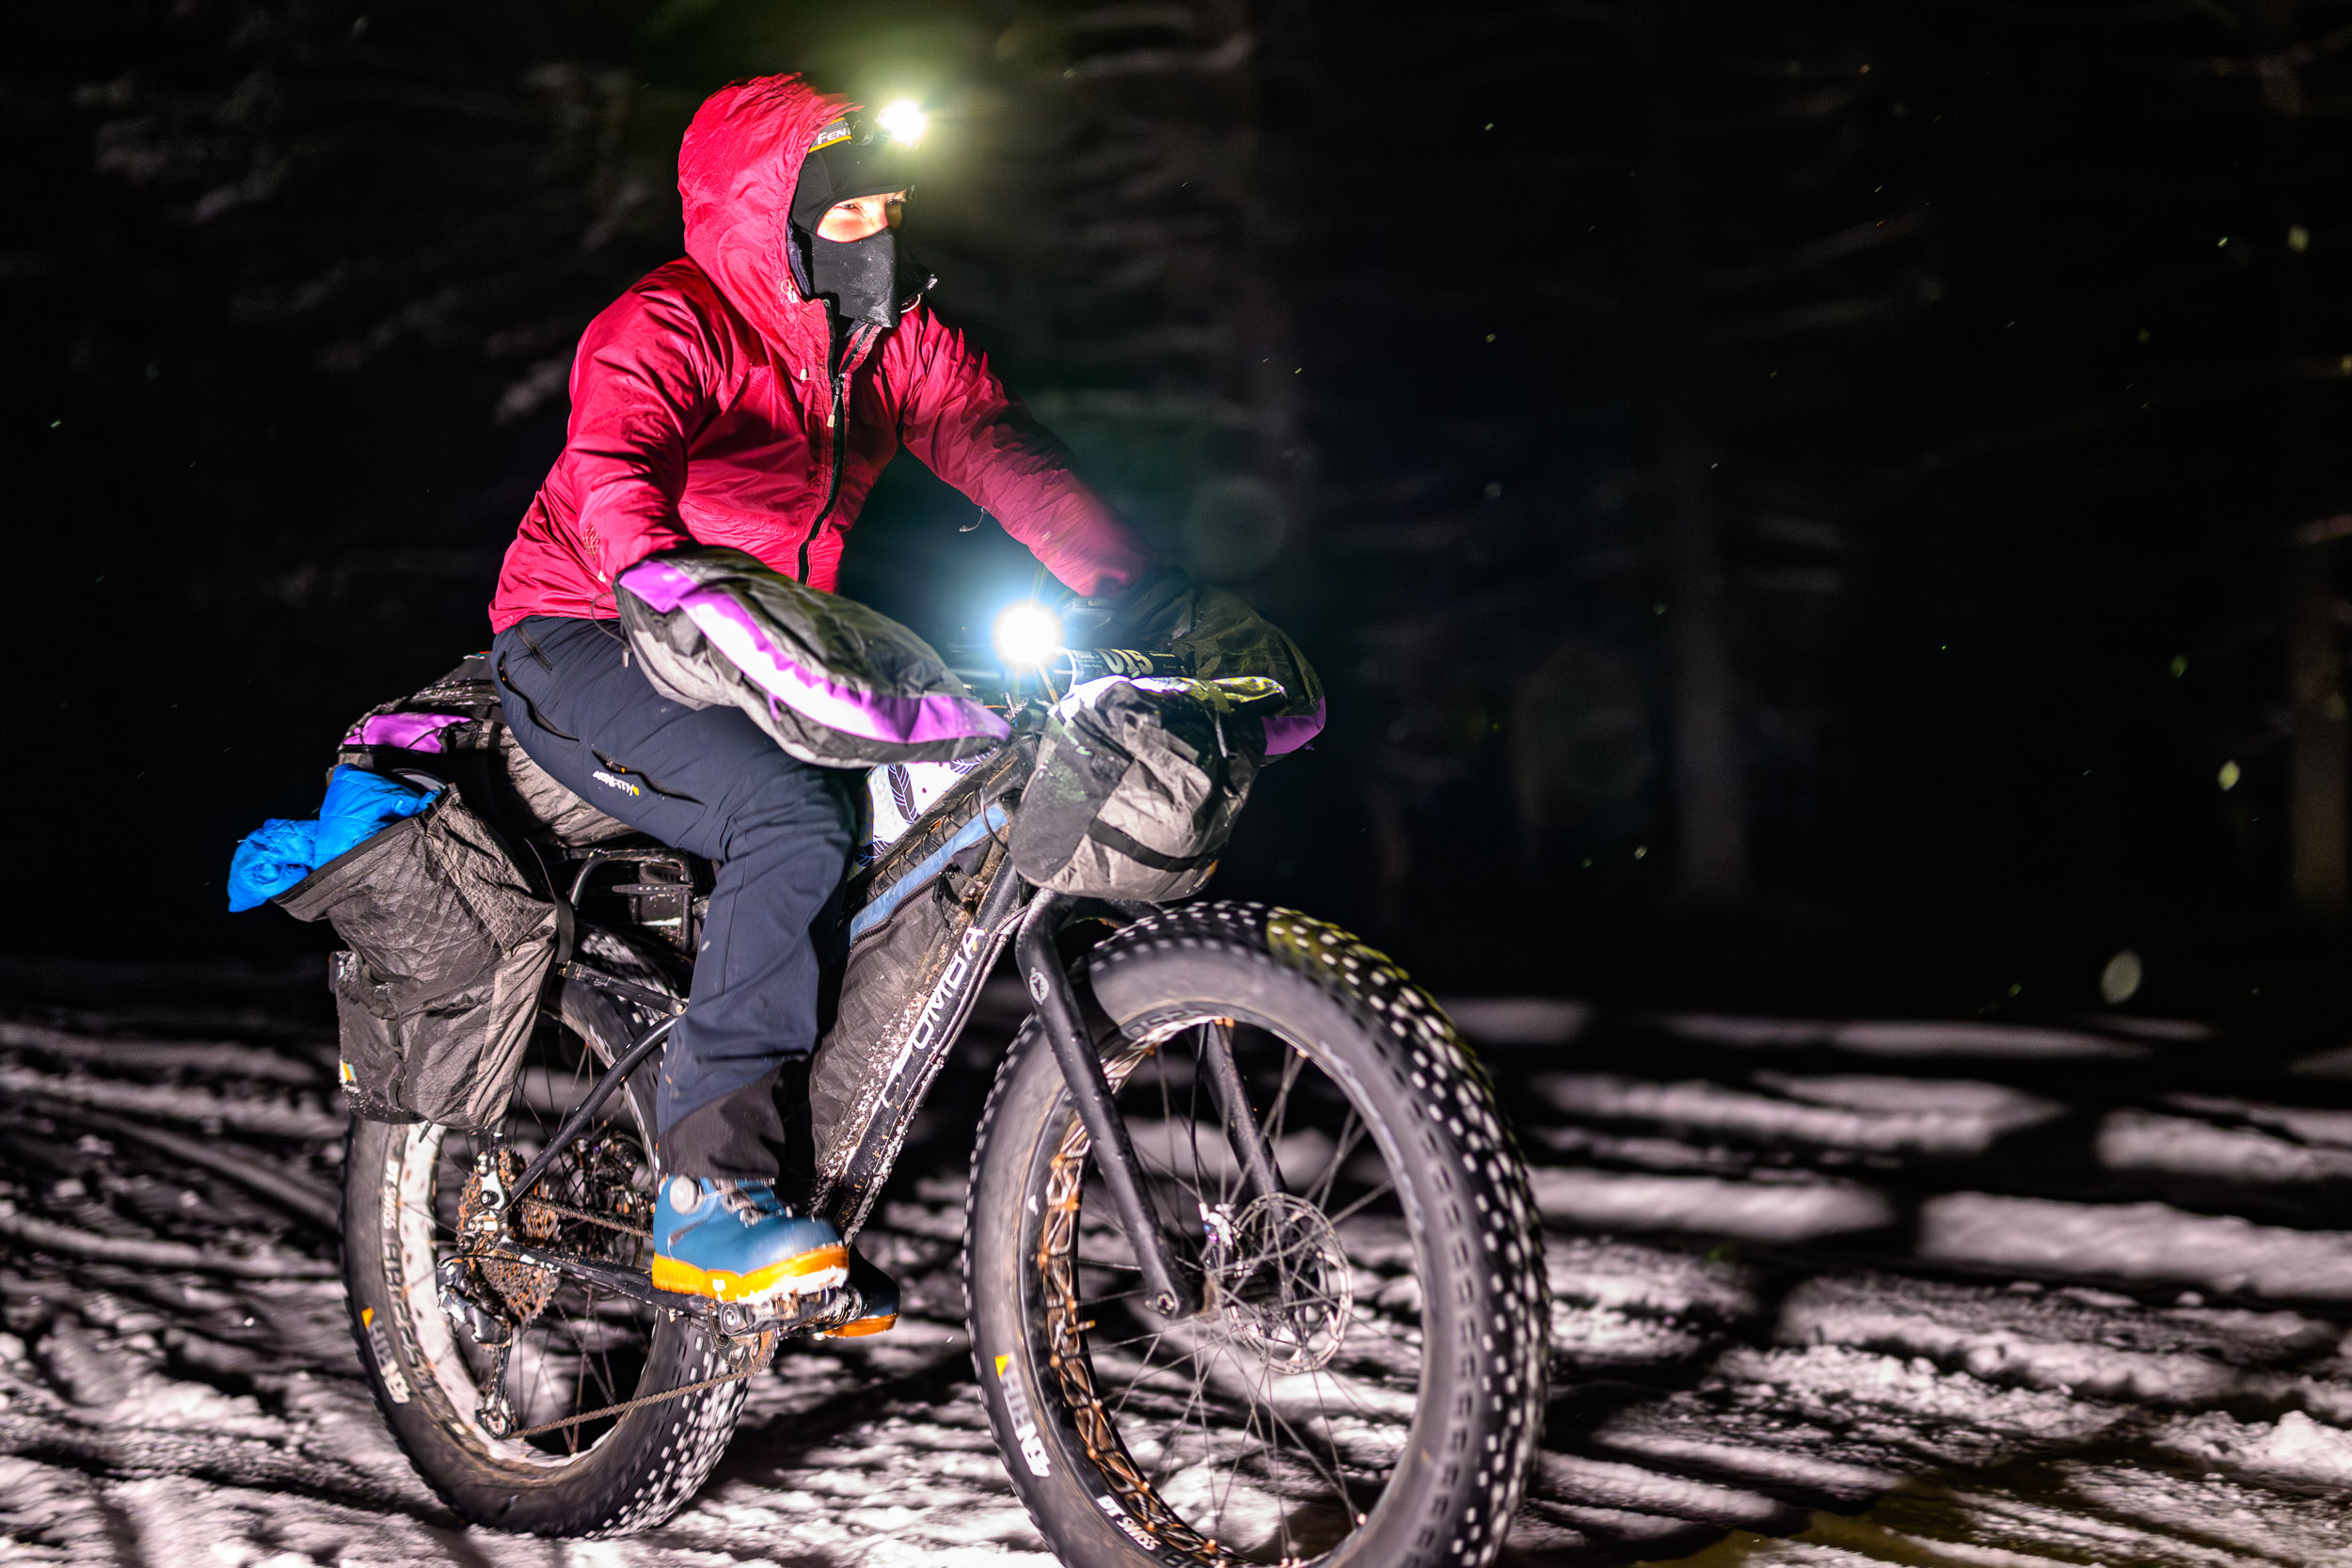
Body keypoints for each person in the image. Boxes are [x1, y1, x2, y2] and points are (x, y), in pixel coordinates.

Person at [485, 74, 1163, 1327]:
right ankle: (714, 1194)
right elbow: (616, 465)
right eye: (852, 214)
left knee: (927, 812)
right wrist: (660, 574)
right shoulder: (669, 324)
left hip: (763, 642)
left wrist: (1140, 589)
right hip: (590, 632)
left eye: (892, 209)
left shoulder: (887, 341)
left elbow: (996, 443)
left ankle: (793, 1180)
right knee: (792, 818)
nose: (880, 235)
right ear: (774, 216)